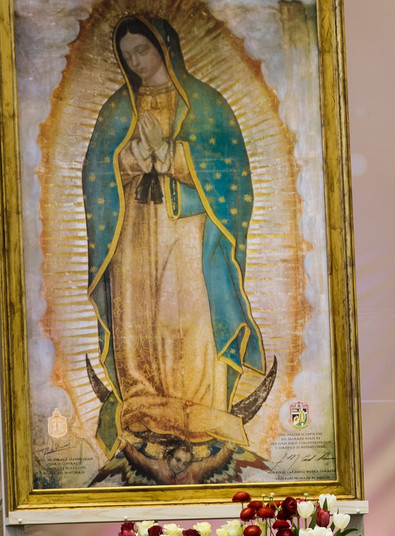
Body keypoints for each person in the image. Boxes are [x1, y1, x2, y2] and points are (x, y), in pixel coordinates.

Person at [82, 15, 266, 469]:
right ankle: (143, 403)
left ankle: (200, 409)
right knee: (139, 316)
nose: (136, 62)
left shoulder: (205, 104)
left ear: (164, 47)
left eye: (141, 50)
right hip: (134, 233)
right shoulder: (117, 109)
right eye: (127, 57)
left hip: (188, 230)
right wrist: (129, 158)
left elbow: (231, 173)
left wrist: (174, 157)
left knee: (187, 313)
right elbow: (94, 176)